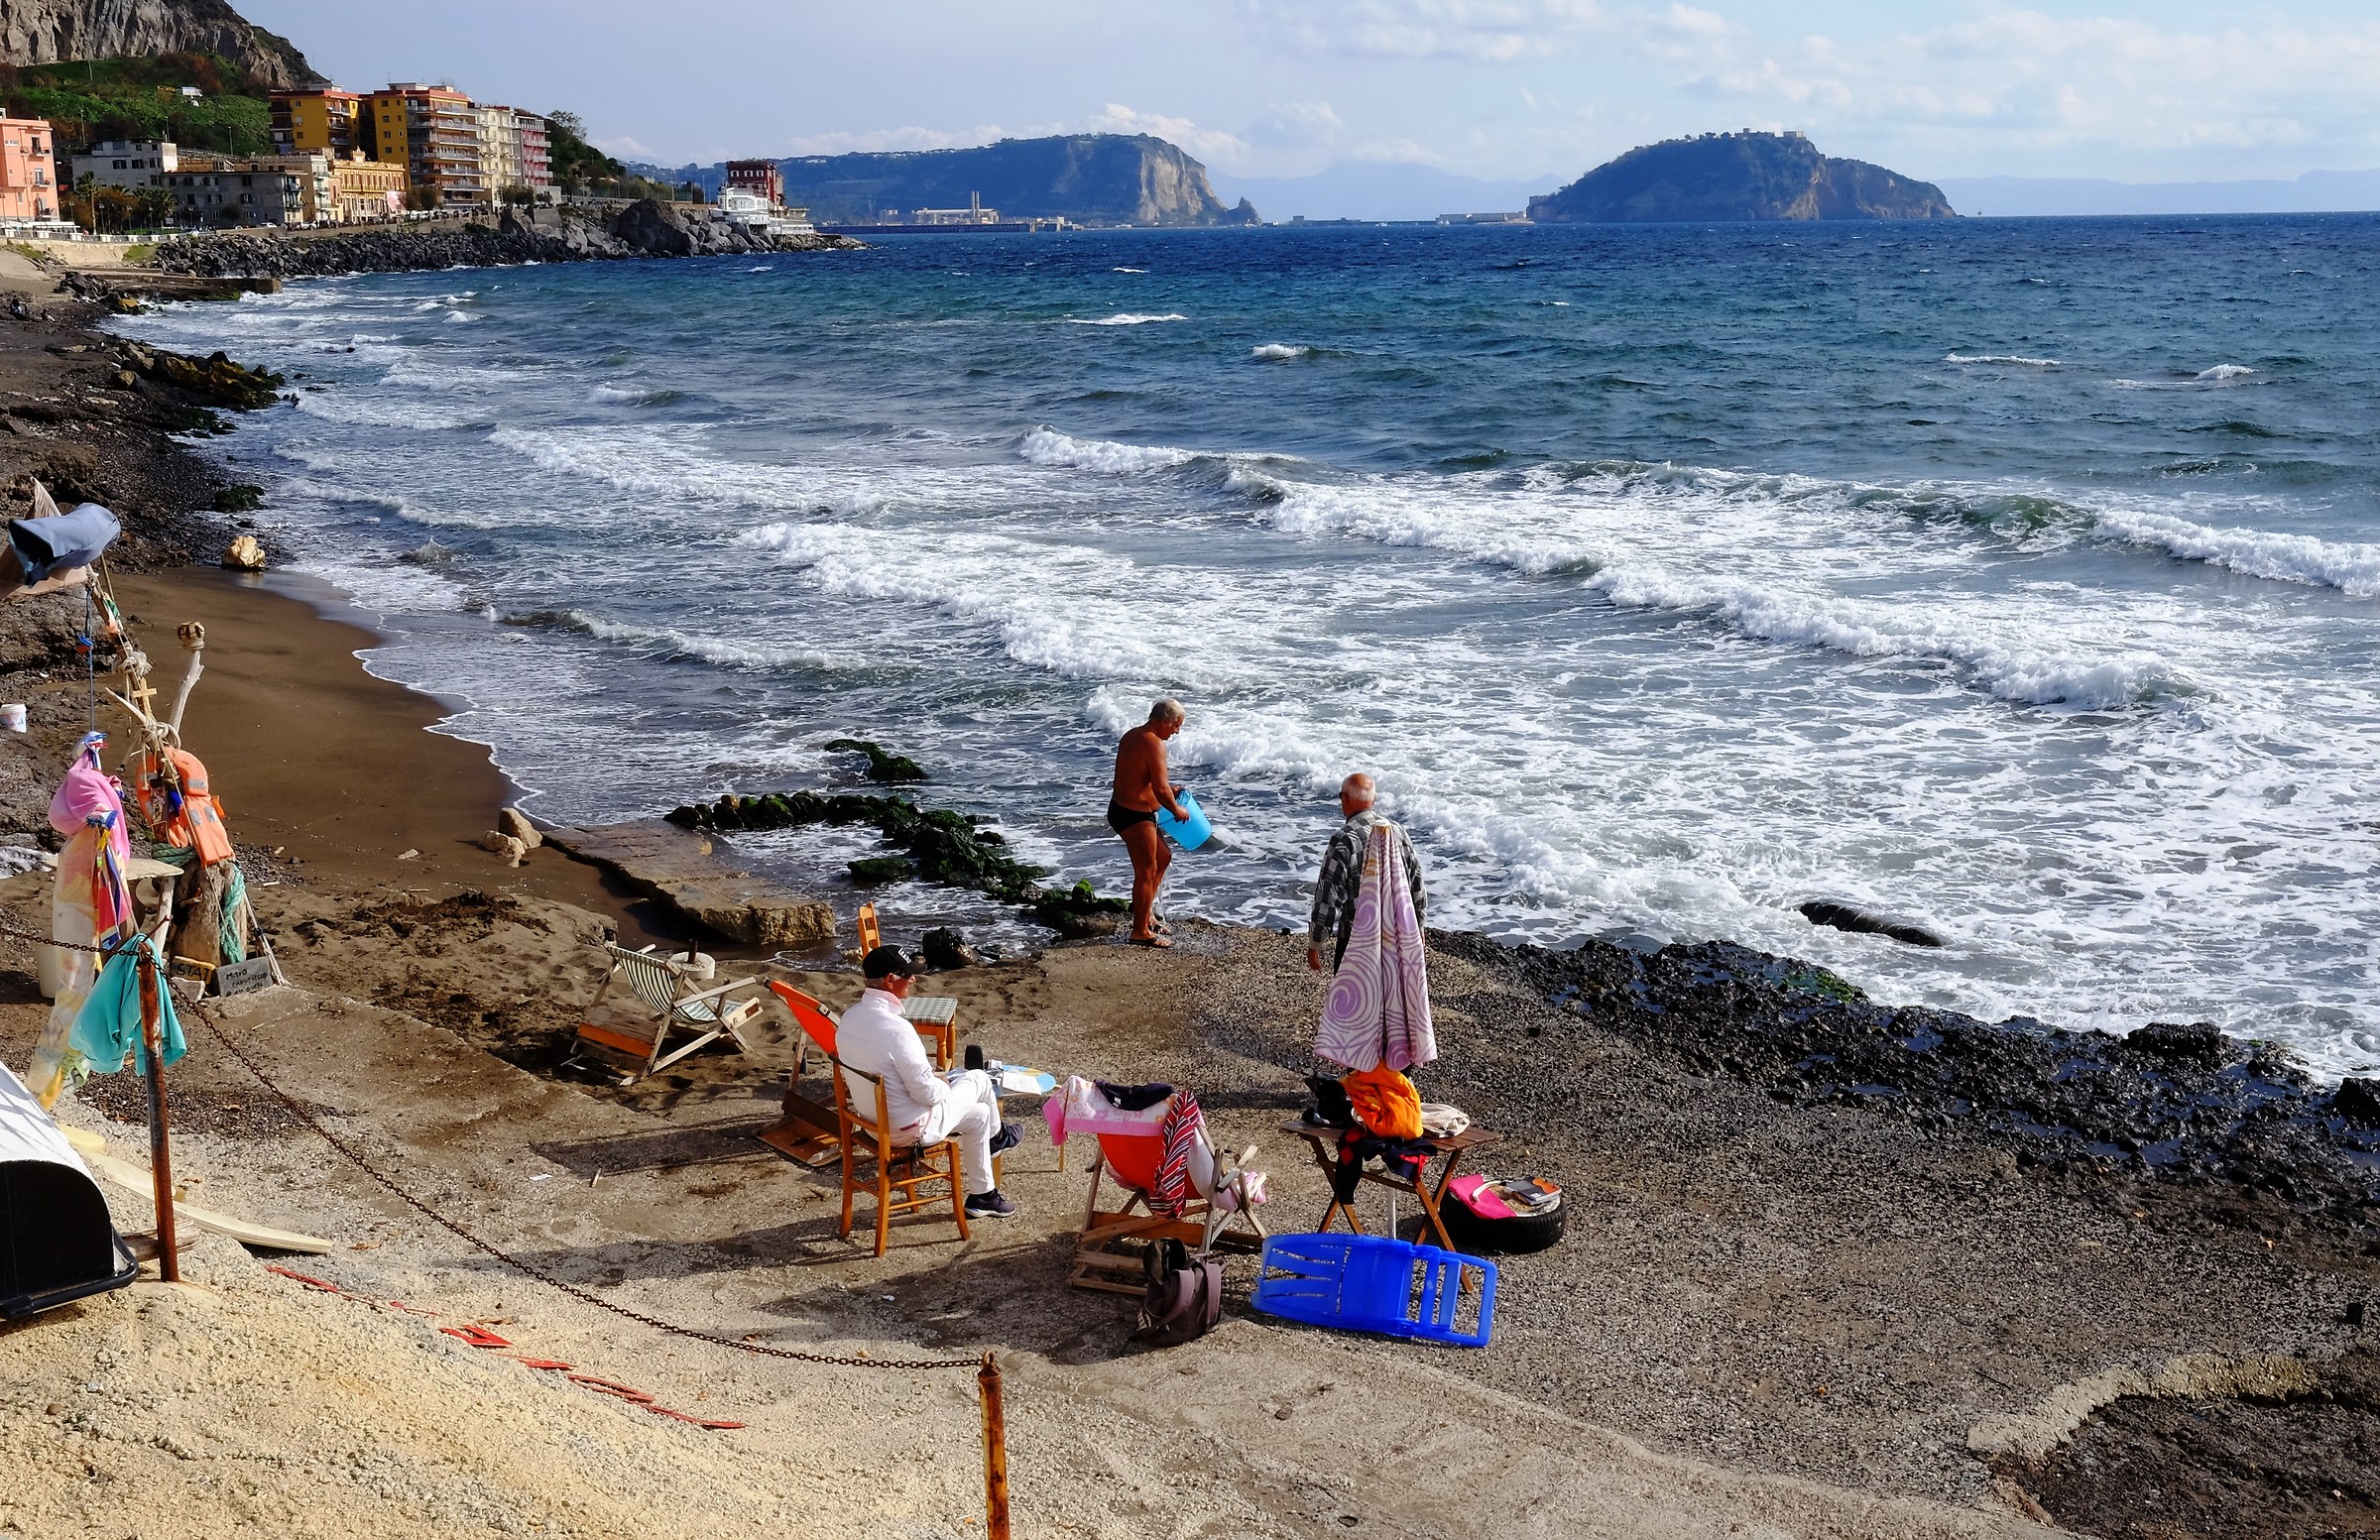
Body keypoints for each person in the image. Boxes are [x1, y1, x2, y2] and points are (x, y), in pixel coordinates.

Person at [836, 945, 1022, 1219]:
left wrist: (937, 1079)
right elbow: (927, 1095)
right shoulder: (898, 1030)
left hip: (873, 1123)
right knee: (978, 1079)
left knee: (979, 1114)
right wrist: (943, 1083)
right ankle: (999, 1138)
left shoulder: (849, 1019)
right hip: (908, 1128)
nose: (913, 979)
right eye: (909, 974)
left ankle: (983, 1197)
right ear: (890, 980)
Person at [1307, 773, 1426, 973]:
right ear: (1374, 800)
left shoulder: (1344, 840)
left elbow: (1329, 895)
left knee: (1355, 1001)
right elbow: (1416, 883)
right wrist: (1419, 927)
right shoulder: (1398, 831)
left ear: (1344, 799)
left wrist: (1316, 942)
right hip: (1397, 936)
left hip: (1356, 940)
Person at [1109, 698, 1189, 948]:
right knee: (1145, 872)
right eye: (1176, 726)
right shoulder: (1153, 743)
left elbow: (1138, 778)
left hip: (1123, 808)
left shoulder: (1132, 735)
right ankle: (1140, 932)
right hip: (1134, 815)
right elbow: (1160, 788)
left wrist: (1167, 790)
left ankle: (1147, 915)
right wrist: (1176, 809)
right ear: (1163, 721)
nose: (1176, 731)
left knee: (1163, 857)